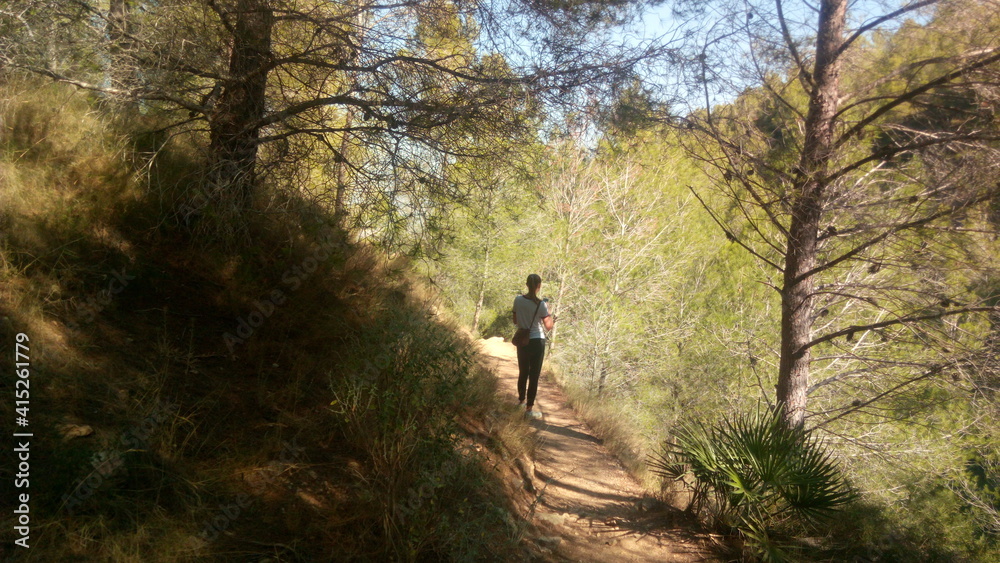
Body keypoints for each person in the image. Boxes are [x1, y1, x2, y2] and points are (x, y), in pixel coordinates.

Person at [512, 273, 555, 416]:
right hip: (537, 341)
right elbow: (548, 326)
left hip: (522, 340)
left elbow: (515, 321)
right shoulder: (541, 304)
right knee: (534, 375)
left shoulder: (518, 300)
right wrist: (548, 311)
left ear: (526, 284)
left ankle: (520, 402)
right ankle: (529, 409)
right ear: (539, 286)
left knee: (523, 372)